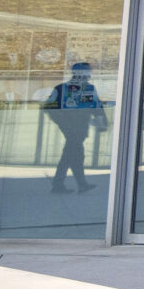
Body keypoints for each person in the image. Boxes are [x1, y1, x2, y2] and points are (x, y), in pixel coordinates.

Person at [42, 61, 107, 194]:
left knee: (71, 155)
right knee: (74, 155)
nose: (89, 74)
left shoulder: (88, 88)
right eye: (87, 72)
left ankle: (65, 184)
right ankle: (72, 184)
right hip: (72, 129)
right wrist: (63, 122)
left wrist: (101, 123)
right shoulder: (62, 89)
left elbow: (96, 107)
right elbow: (49, 107)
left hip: (80, 127)